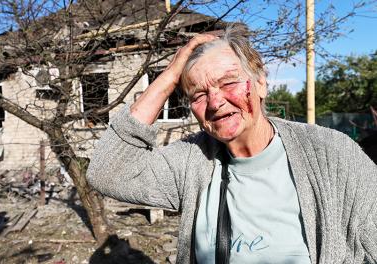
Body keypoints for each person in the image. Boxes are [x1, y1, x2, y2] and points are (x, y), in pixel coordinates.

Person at [87, 24, 377, 264]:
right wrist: (169, 76)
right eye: (198, 95)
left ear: (260, 82)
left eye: (228, 83)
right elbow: (108, 172)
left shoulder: (333, 155)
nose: (215, 102)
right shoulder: (193, 161)